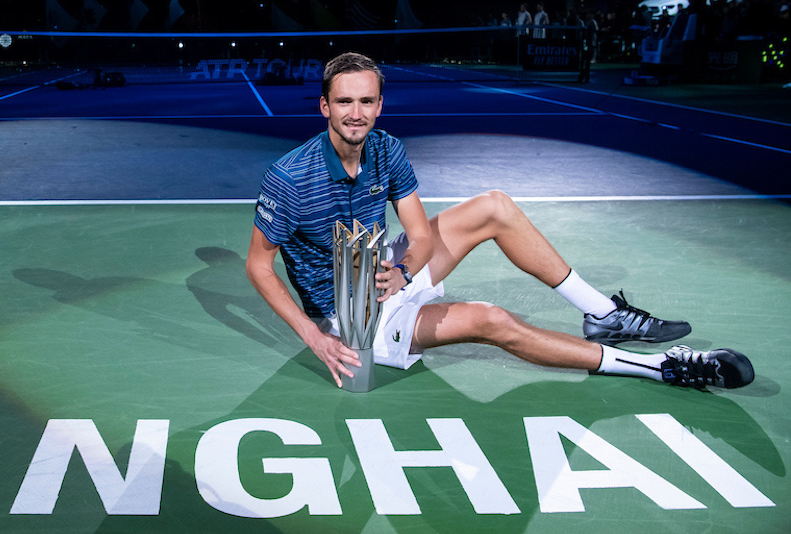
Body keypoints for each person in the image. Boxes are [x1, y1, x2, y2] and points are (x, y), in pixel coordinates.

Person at [246, 52, 754, 391]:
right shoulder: (290, 177)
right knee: (493, 320)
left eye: (365, 101)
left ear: (379, 104)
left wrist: (401, 274)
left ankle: (602, 315)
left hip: (385, 274)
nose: (355, 113)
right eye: (343, 101)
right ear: (324, 106)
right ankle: (662, 368)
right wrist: (315, 336)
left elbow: (419, 236)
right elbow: (259, 267)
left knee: (495, 205)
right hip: (351, 317)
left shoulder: (387, 148)